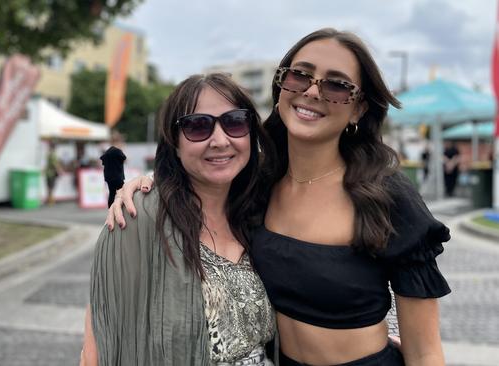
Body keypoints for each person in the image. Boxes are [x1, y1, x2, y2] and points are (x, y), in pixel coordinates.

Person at [108, 28, 451, 365]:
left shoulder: (387, 195)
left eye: (336, 84)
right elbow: (201, 174)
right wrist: (146, 184)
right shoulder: (258, 184)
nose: (312, 92)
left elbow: (425, 353)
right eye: (300, 76)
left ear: (358, 108)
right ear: (281, 87)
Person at [80, 73, 276, 365]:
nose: (220, 140)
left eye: (234, 121)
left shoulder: (262, 210)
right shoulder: (137, 217)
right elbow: (98, 344)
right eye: (198, 126)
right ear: (174, 142)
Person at [44, 140, 65, 205]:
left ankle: (49, 199)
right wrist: (60, 171)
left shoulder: (49, 153)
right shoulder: (53, 154)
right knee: (51, 187)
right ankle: (50, 200)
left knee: (49, 187)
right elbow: (55, 164)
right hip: (51, 173)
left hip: (48, 172)